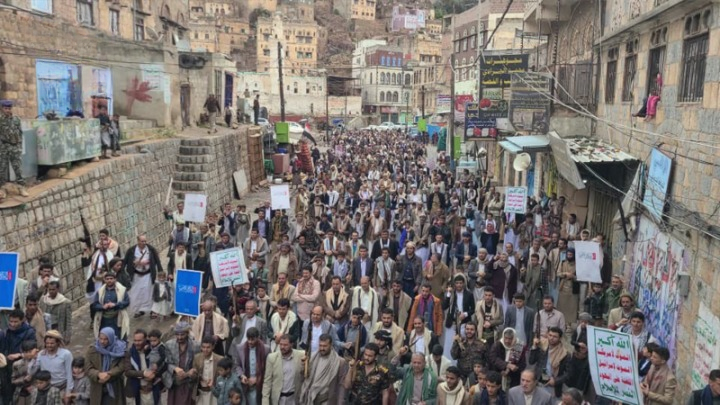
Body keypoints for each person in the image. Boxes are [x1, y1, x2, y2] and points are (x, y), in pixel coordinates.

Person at [299, 333, 349, 405]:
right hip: (310, 399)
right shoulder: (312, 358)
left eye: (325, 346)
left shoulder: (339, 362)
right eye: (320, 345)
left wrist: (340, 402)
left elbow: (341, 385)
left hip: (326, 400)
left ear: (331, 345)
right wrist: (303, 366)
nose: (322, 348)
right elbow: (304, 377)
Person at [124, 234, 163, 319]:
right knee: (137, 293)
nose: (144, 243)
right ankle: (139, 310)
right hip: (136, 275)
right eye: (142, 241)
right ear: (138, 241)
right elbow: (125, 261)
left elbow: (157, 261)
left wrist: (160, 272)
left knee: (149, 292)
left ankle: (153, 310)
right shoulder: (131, 250)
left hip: (148, 275)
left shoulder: (151, 249)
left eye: (145, 241)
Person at [86, 327, 127, 405]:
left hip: (114, 385)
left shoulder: (119, 349)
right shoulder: (92, 350)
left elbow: (121, 366)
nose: (102, 341)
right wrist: (98, 374)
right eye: (101, 338)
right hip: (97, 386)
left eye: (105, 339)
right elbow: (88, 368)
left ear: (111, 339)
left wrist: (109, 374)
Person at [124, 329, 163, 405]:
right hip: (137, 391)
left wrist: (154, 374)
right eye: (135, 340)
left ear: (145, 339)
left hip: (152, 391)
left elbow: (162, 365)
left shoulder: (154, 350)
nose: (137, 343)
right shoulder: (130, 353)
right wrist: (144, 373)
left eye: (139, 341)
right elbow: (127, 372)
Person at [528, 326, 569, 398]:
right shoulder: (542, 346)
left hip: (552, 386)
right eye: (550, 335)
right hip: (538, 382)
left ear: (560, 338)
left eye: (555, 336)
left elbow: (568, 374)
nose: (551, 338)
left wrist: (555, 381)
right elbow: (531, 361)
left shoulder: (564, 354)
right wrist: (534, 347)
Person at [262, 334, 304, 404]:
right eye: (281, 344)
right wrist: (265, 402)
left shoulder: (300, 355)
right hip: (278, 399)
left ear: (291, 344)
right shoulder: (272, 358)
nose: (282, 347)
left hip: (294, 398)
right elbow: (267, 382)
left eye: (285, 345)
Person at [233, 327, 269, 405]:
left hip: (260, 384)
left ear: (258, 337)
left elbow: (268, 368)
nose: (250, 342)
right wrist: (242, 376)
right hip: (245, 384)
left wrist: (257, 378)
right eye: (248, 339)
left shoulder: (266, 349)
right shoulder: (240, 348)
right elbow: (237, 365)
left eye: (252, 339)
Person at [0, 100, 29, 197]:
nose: (7, 110)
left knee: (18, 169)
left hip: (15, 147)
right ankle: (2, 190)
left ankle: (21, 187)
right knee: (2, 169)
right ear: (2, 108)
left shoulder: (16, 119)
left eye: (9, 108)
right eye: (5, 108)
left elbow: (20, 133)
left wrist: (19, 147)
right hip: (3, 147)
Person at [166, 322, 200, 405]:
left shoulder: (195, 346)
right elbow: (166, 362)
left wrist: (190, 372)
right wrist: (175, 368)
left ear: (187, 333)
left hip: (188, 383)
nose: (179, 337)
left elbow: (198, 363)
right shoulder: (169, 344)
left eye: (182, 335)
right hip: (175, 382)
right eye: (177, 334)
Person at [91, 270, 130, 340]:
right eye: (107, 279)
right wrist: (102, 307)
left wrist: (115, 305)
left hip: (117, 318)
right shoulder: (100, 291)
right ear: (104, 280)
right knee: (105, 338)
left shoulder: (122, 290)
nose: (109, 280)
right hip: (104, 320)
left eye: (111, 279)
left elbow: (127, 302)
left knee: (119, 337)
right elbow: (94, 305)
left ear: (115, 279)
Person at [35, 330, 73, 396]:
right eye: (47, 343)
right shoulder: (41, 354)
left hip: (62, 387)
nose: (49, 345)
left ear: (57, 343)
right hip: (46, 388)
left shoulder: (66, 354)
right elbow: (36, 368)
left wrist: (68, 391)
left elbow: (69, 373)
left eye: (52, 343)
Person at [192, 336, 223, 405]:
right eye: (203, 347)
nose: (205, 350)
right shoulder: (197, 358)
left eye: (208, 347)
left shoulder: (219, 359)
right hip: (200, 392)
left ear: (213, 347)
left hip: (213, 393)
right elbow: (194, 375)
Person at [11, 340, 38, 405]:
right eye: (25, 352)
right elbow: (13, 380)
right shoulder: (17, 364)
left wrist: (34, 387)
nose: (28, 354)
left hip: (36, 393)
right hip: (21, 393)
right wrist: (23, 379)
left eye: (30, 352)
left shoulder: (39, 363)